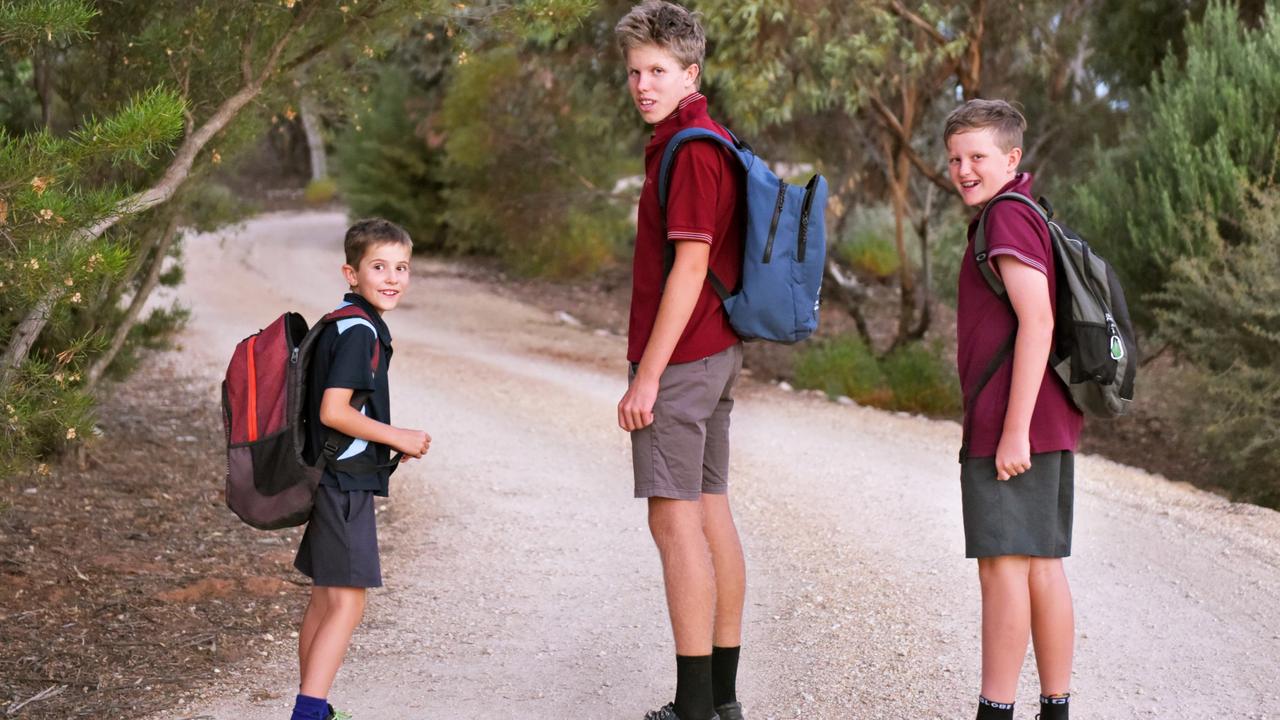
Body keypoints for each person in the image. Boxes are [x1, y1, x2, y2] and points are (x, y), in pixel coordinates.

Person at [614, 3, 748, 719]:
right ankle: (720, 701)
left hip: (685, 359)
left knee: (675, 525)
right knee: (710, 513)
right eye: (635, 71)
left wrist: (648, 376)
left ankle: (695, 707)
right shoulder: (702, 137)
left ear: (690, 72)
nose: (643, 83)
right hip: (715, 351)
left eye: (658, 71)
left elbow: (689, 268)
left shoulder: (692, 148)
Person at [945, 99, 1081, 720]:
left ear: (1011, 158)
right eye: (955, 159)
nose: (964, 169)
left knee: (1004, 570)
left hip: (1014, 422)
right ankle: (1056, 709)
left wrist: (1013, 432)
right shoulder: (1023, 211)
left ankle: (993, 710)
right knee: (1042, 567)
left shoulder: (1005, 219)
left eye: (978, 157)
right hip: (1044, 419)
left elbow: (1038, 321)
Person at [289, 219, 432, 720]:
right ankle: (309, 713)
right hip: (344, 482)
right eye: (378, 266)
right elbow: (335, 410)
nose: (391, 277)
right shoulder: (358, 332)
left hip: (328, 476)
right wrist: (400, 438)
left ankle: (312, 707)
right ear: (351, 272)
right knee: (347, 603)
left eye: (401, 267)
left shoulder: (344, 319)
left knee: (327, 598)